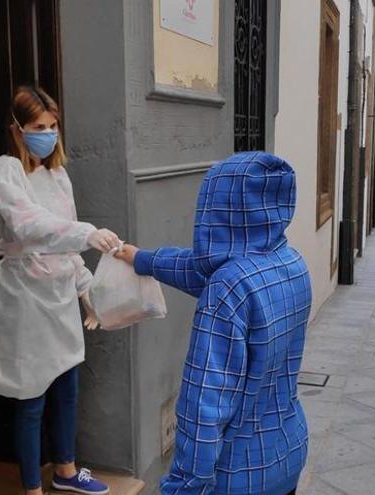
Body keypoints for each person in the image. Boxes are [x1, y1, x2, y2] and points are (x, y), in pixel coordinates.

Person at [115, 151, 311, 495]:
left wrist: (185, 487)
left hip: (237, 474)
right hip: (286, 453)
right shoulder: (291, 264)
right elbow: (199, 269)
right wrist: (142, 259)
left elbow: (204, 407)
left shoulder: (228, 287)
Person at [0, 86, 114, 495]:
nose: (48, 134)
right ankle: (32, 487)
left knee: (68, 384)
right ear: (17, 129)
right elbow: (27, 225)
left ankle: (66, 471)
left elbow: (64, 243)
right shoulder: (5, 172)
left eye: (53, 126)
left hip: (58, 291)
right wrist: (88, 233)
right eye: (38, 126)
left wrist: (86, 290)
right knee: (31, 394)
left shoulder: (58, 175)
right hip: (25, 292)